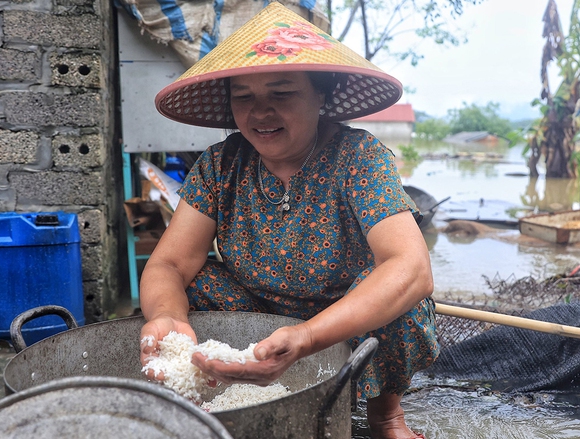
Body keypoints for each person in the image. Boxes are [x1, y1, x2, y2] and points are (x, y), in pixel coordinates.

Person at [139, 3, 438, 438]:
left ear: (322, 95)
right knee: (193, 280)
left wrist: (306, 337)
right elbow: (169, 264)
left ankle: (386, 417)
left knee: (396, 289)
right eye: (244, 97)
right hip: (258, 310)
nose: (260, 112)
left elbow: (412, 269)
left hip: (343, 316)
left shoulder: (359, 158)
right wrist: (166, 316)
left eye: (281, 93)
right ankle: (223, 388)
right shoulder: (220, 164)